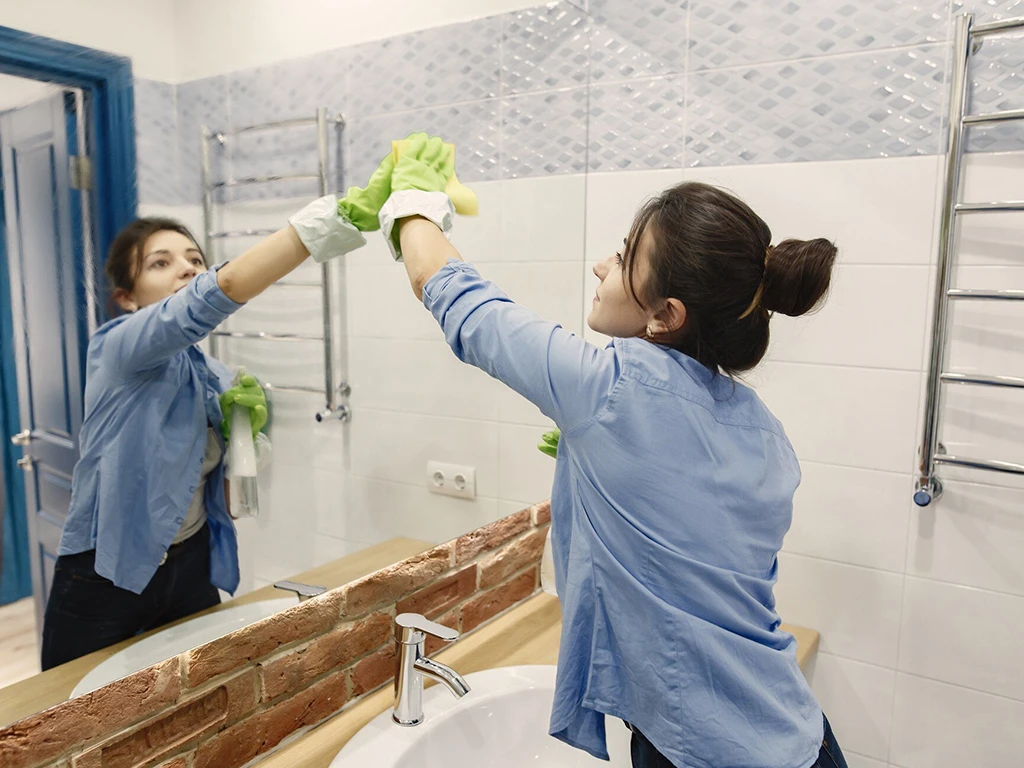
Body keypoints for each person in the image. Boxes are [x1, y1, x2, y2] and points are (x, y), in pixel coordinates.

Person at [375, 133, 850, 768]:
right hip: (799, 734)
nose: (602, 265)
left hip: (700, 753)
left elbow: (458, 299)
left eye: (624, 257)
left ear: (665, 316)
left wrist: (412, 201)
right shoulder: (766, 432)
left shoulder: (610, 389)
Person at [40, 174, 388, 670]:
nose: (185, 268)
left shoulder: (215, 374)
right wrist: (316, 229)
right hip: (106, 570)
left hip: (191, 560)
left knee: (200, 693)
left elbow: (221, 491)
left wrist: (247, 438)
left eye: (193, 260)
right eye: (161, 263)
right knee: (69, 718)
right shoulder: (116, 349)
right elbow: (212, 294)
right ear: (128, 298)